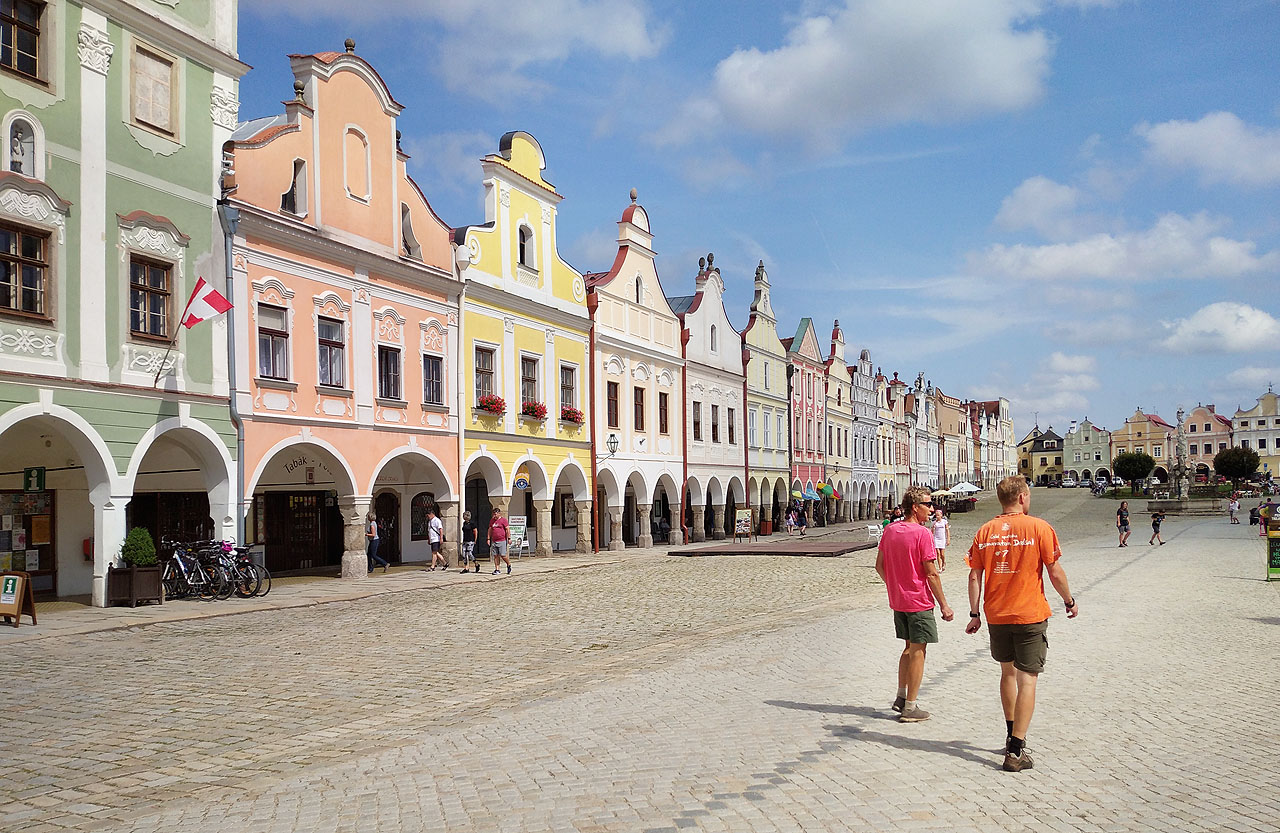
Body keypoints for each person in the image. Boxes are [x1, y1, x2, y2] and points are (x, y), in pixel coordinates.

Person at [965, 475, 1078, 772]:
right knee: (1028, 678)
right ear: (1023, 497)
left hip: (997, 614)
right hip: (1029, 614)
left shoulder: (985, 530)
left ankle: (1010, 734)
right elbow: (1054, 570)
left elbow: (975, 575)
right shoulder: (1039, 528)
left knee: (1007, 674)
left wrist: (974, 613)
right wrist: (1069, 600)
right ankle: (1016, 749)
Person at [875, 486, 954, 723]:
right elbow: (931, 574)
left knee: (908, 648)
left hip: (899, 601)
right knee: (919, 650)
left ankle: (901, 697)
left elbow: (879, 566)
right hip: (919, 601)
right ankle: (910, 706)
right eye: (927, 505)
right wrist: (944, 605)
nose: (932, 509)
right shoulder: (922, 534)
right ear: (914, 507)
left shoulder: (890, 531)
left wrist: (895, 585)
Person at [489, 507, 512, 575]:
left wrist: (509, 538)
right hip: (494, 540)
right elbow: (490, 529)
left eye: (496, 514)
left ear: (499, 514)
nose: (494, 516)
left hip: (502, 540)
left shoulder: (503, 520)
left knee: (503, 555)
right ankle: (497, 569)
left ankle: (508, 564)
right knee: (495, 555)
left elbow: (507, 529)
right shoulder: (492, 521)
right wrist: (488, 538)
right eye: (494, 514)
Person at [365, 509, 389, 573]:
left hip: (374, 540)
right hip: (372, 541)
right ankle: (370, 568)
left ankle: (385, 564)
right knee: (369, 555)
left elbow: (373, 534)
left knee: (373, 555)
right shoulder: (373, 523)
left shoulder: (372, 524)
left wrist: (366, 534)